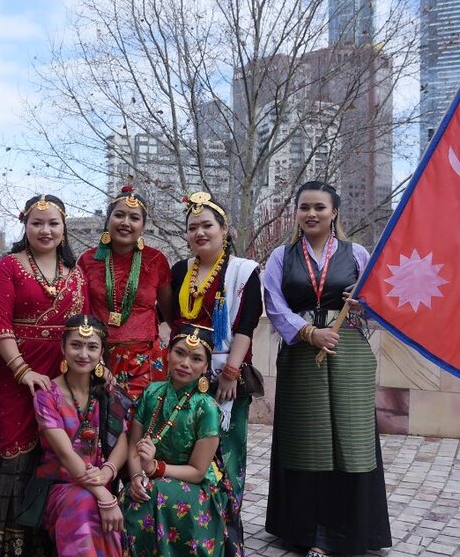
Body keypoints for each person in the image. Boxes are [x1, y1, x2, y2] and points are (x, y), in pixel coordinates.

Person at [262, 181, 392, 557]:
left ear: (334, 212)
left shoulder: (357, 253)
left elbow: (376, 301)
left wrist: (363, 300)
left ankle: (350, 531)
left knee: (352, 439)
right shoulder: (280, 257)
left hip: (347, 351)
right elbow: (274, 304)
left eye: (319, 207)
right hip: (303, 354)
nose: (311, 214)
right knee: (306, 438)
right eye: (304, 207)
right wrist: (308, 332)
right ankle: (307, 530)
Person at [0, 194, 88, 557]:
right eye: (37, 223)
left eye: (52, 223)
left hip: (62, 377)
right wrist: (22, 371)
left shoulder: (75, 275)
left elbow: (85, 330)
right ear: (25, 225)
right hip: (16, 376)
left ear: (63, 228)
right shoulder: (9, 267)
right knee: (14, 457)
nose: (45, 230)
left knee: (56, 456)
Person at [170, 191, 262, 533]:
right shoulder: (180, 270)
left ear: (225, 230)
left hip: (227, 377)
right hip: (184, 373)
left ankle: (225, 527)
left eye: (207, 225)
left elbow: (247, 324)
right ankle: (187, 523)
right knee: (182, 445)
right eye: (193, 227)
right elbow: (174, 318)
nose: (200, 233)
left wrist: (231, 371)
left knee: (227, 450)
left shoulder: (244, 272)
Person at [121, 323, 240, 556]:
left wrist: (155, 468)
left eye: (196, 359)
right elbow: (134, 446)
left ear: (206, 366)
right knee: (135, 497)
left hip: (195, 486)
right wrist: (136, 476)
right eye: (179, 353)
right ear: (168, 353)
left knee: (156, 492)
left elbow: (197, 471)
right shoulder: (151, 393)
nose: (185, 363)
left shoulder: (206, 408)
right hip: (150, 478)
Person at [33, 314, 127, 556]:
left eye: (92, 347)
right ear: (63, 348)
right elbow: (65, 453)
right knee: (85, 502)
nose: (83, 354)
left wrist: (106, 473)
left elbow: (123, 443)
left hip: (100, 480)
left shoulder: (108, 390)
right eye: (76, 345)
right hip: (61, 485)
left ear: (101, 353)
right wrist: (103, 494)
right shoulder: (46, 395)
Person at [77, 186, 173, 402]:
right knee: (104, 425)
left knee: (142, 423)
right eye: (119, 215)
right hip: (98, 356)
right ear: (108, 219)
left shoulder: (155, 260)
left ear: (143, 225)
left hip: (147, 359)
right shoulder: (88, 259)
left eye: (134, 218)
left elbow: (170, 313)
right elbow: (81, 312)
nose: (125, 223)